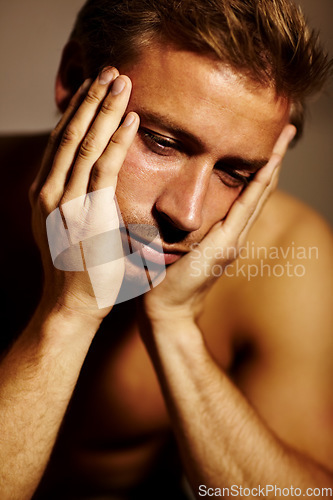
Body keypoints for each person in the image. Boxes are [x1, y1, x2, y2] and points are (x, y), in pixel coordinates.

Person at [0, 0, 332, 499]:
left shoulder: (287, 254)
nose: (189, 215)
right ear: (73, 80)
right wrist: (68, 314)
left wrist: (175, 327)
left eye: (234, 173)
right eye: (161, 142)